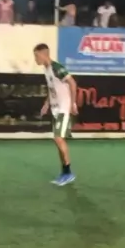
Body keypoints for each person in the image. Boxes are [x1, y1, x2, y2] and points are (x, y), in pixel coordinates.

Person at [33, 43, 78, 186]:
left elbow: (72, 83)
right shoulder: (46, 69)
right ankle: (64, 172)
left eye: (36, 56)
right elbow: (51, 88)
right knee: (58, 140)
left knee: (58, 138)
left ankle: (68, 173)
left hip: (64, 108)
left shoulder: (56, 68)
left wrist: (73, 104)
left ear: (43, 54)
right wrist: (46, 104)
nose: (35, 59)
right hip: (55, 109)